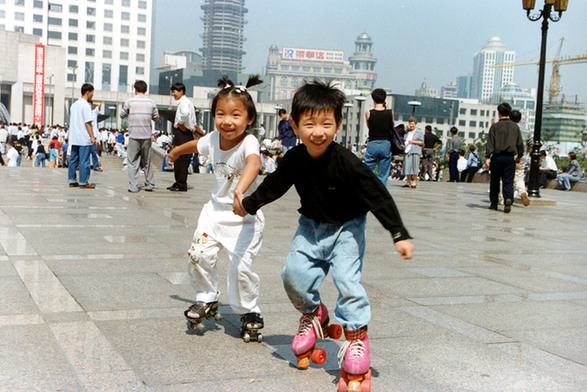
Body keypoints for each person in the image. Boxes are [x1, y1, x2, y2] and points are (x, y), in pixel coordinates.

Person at [234, 80, 414, 390]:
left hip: (348, 228)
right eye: (309, 124)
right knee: (292, 275)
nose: (318, 132)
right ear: (295, 125)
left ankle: (357, 337)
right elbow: (275, 184)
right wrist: (249, 205)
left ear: (338, 125)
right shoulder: (294, 159)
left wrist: (398, 233)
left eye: (326, 124)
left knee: (347, 281)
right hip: (312, 228)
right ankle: (313, 313)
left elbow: (377, 194)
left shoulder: (347, 161)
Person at [166, 75, 266, 341]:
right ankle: (206, 297)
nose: (227, 121)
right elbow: (195, 144)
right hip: (214, 214)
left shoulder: (249, 142)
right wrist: (177, 152)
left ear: (249, 119)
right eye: (220, 114)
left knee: (240, 268)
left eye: (235, 115)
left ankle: (249, 311)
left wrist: (240, 191)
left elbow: (254, 164)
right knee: (197, 254)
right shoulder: (212, 139)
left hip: (245, 217)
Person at [120, 80, 160, 193]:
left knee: (132, 161)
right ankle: (149, 184)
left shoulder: (130, 101)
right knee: (147, 161)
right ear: (146, 90)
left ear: (135, 90)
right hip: (146, 136)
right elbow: (156, 119)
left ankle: (133, 186)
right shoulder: (151, 103)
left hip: (134, 135)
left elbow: (122, 115)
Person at [485, 102, 524, 213]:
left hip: (497, 158)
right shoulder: (515, 127)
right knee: (508, 180)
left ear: (499, 113)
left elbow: (490, 143)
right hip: (509, 158)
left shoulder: (495, 127)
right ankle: (508, 198)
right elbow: (520, 144)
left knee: (495, 181)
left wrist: (487, 157)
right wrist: (519, 156)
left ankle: (494, 203)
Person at [168, 82, 203, 192]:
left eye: (175, 91)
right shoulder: (187, 102)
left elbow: (185, 114)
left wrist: (180, 124)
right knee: (180, 159)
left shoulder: (183, 102)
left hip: (183, 132)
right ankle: (178, 181)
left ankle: (181, 183)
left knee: (181, 159)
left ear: (181, 91)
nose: (173, 94)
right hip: (185, 132)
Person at [68, 83, 97, 189]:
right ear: (88, 92)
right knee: (84, 160)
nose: (92, 95)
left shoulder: (74, 105)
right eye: (92, 93)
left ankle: (72, 179)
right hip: (83, 137)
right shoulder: (85, 106)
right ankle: (83, 181)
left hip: (74, 137)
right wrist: (92, 137)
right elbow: (88, 123)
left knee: (73, 159)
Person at [364, 88, 393, 186]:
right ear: (385, 99)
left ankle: (368, 190)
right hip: (385, 143)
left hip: (373, 142)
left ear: (373, 99)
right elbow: (391, 125)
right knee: (383, 174)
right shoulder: (390, 113)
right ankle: (381, 193)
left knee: (369, 171)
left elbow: (369, 126)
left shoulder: (369, 113)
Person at [509, 110, 529, 206]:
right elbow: (530, 144)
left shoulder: (509, 130)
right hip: (522, 158)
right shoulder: (526, 131)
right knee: (519, 178)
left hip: (510, 157)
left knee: (507, 177)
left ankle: (506, 197)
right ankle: (523, 192)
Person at [402, 117, 424, 188]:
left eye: (412, 124)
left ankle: (414, 181)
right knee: (407, 166)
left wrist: (413, 142)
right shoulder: (407, 132)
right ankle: (408, 182)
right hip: (407, 150)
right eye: (410, 124)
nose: (411, 125)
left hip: (415, 150)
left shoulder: (419, 132)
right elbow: (403, 139)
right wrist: (405, 130)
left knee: (415, 166)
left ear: (415, 124)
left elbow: (422, 142)